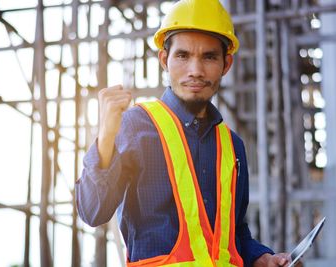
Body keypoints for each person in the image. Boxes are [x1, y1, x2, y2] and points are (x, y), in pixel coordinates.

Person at [76, 0, 291, 266]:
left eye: (209, 57)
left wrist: (262, 257)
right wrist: (106, 136)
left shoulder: (232, 145)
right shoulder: (136, 126)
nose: (196, 71)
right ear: (165, 60)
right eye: (183, 55)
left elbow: (234, 234)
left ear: (226, 64)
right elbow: (92, 211)